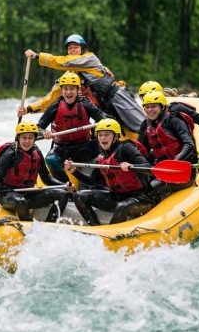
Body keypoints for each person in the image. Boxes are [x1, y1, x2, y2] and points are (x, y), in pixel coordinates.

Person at [18, 34, 146, 133]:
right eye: (70, 48)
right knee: (110, 133)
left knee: (141, 125)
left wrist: (37, 56)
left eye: (76, 47)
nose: (72, 50)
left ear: (82, 49)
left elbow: (61, 62)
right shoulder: (70, 76)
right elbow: (52, 97)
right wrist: (29, 109)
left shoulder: (89, 58)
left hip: (116, 96)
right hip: (103, 108)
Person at [64, 119, 156, 226]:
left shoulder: (126, 148)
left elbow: (149, 168)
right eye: (100, 135)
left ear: (116, 136)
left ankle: (110, 237)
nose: (103, 138)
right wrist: (74, 171)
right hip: (116, 197)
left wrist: (132, 166)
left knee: (122, 207)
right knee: (79, 195)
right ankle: (95, 228)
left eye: (107, 135)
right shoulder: (102, 157)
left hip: (141, 198)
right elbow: (91, 182)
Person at [0, 121, 73, 223]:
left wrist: (64, 185)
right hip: (8, 195)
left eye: (30, 138)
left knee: (63, 194)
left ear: (34, 139)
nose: (27, 141)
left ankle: (50, 225)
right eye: (24, 137)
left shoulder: (36, 152)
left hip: (28, 193)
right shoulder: (10, 153)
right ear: (18, 138)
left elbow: (46, 177)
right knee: (20, 201)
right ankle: (29, 229)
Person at [37, 71, 110, 183]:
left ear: (77, 90)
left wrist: (101, 125)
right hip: (63, 149)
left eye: (72, 89)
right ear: (61, 90)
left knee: (104, 155)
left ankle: (96, 184)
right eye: (65, 89)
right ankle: (67, 187)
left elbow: (104, 118)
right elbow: (38, 128)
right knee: (51, 159)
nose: (68, 92)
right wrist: (44, 132)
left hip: (86, 147)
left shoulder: (85, 104)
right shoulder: (54, 107)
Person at [139, 91, 196, 201]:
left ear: (162, 107)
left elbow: (189, 144)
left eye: (153, 106)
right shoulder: (149, 128)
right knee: (142, 184)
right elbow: (141, 152)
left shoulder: (174, 121)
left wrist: (175, 161)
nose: (150, 110)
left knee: (150, 188)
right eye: (147, 107)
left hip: (183, 172)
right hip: (164, 171)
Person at [138, 81, 199, 155]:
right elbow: (139, 145)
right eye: (144, 97)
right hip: (164, 159)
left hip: (185, 155)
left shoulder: (176, 109)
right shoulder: (147, 121)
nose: (148, 99)